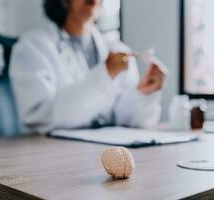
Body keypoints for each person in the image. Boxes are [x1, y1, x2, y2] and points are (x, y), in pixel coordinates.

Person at [9, 0, 166, 134]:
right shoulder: (33, 46)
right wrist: (105, 75)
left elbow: (125, 118)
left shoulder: (117, 49)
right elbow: (40, 117)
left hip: (104, 152)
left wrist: (144, 93)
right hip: (52, 154)